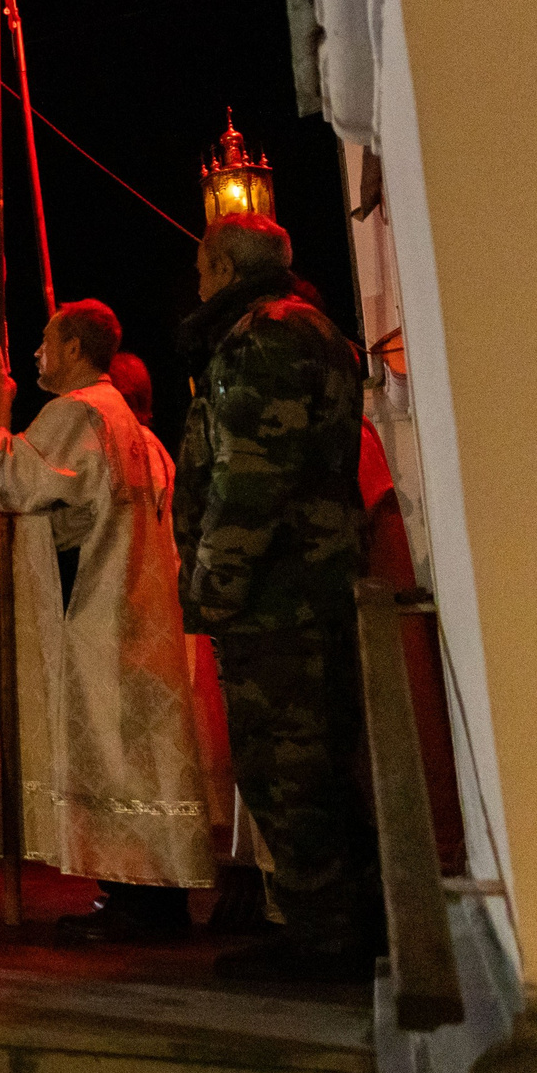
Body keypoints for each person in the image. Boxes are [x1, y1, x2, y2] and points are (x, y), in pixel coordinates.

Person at [0, 300, 217, 941]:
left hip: (97, 616)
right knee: (132, 753)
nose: (34, 355)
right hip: (133, 610)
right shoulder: (132, 425)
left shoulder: (79, 413)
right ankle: (138, 892)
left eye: (46, 341)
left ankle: (143, 900)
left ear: (74, 348)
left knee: (114, 754)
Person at [174, 213, 377, 983]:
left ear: (225, 265)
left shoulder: (260, 337)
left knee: (285, 767)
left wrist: (214, 587)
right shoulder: (314, 328)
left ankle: (327, 937)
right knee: (323, 759)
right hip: (312, 580)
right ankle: (355, 922)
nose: (197, 284)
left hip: (276, 592)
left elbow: (248, 474)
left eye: (202, 268)